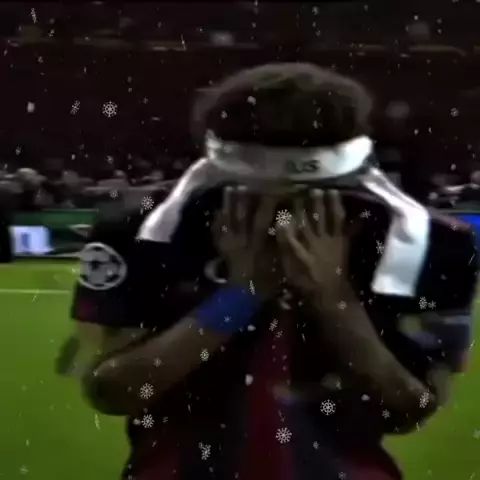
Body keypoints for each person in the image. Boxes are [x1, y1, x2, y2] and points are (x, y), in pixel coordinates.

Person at [61, 63, 478, 480]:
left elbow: (406, 411)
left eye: (312, 195)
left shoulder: (430, 242)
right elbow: (114, 393)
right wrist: (241, 295)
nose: (281, 215)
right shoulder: (141, 227)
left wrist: (333, 299)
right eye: (251, 195)